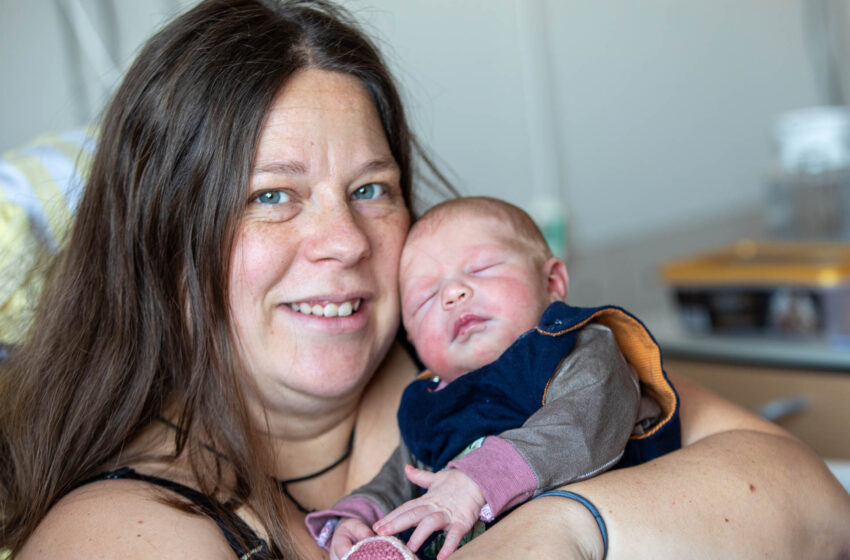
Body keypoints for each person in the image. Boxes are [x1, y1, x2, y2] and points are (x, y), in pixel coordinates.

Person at [0, 1, 847, 559]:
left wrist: (558, 527)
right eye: (271, 196)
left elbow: (815, 502)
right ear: (163, 245)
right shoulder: (132, 526)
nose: (343, 241)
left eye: (371, 189)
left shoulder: (493, 355)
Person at [307, 196, 679, 560]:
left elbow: (585, 425)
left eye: (481, 269)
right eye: (425, 298)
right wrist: (359, 518)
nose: (453, 294)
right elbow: (399, 478)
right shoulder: (429, 404)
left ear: (552, 282)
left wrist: (478, 480)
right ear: (413, 341)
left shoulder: (572, 345)